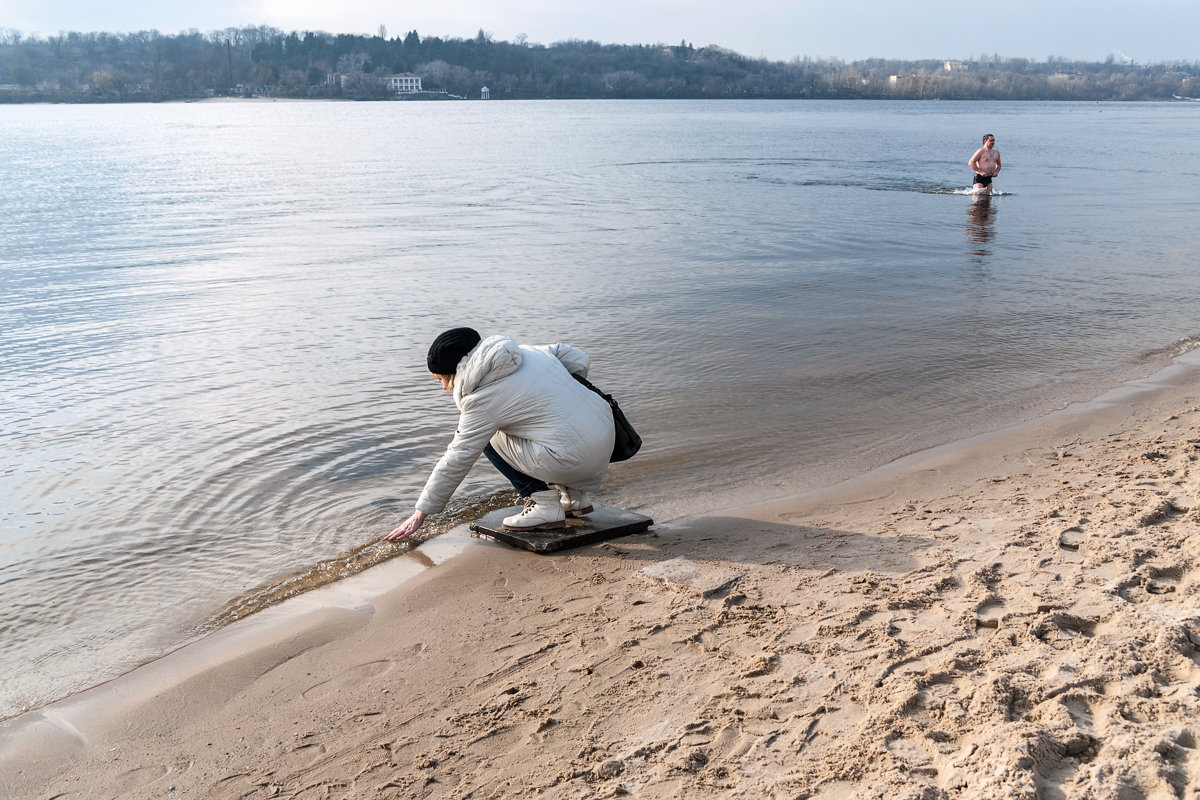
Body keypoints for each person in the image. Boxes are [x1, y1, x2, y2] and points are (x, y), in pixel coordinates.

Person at [385, 328, 616, 541]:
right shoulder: (528, 352)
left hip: (574, 458)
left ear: (457, 370)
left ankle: (545, 505)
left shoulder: (482, 398)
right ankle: (575, 497)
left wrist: (420, 514)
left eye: (443, 379)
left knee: (486, 437)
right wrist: (565, 395)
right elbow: (578, 359)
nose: (444, 388)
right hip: (607, 436)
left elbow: (458, 456)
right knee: (543, 426)